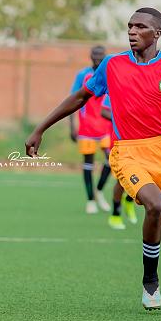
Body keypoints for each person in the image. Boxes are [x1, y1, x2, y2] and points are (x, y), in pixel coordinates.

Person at [25, 7, 161, 312]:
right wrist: (40, 129)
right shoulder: (112, 65)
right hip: (127, 151)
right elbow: (80, 97)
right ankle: (150, 283)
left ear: (157, 33)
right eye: (130, 26)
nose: (132, 31)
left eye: (140, 26)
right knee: (155, 205)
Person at [69, 46, 113, 213]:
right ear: (90, 56)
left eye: (100, 55)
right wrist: (72, 125)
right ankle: (90, 200)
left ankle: (99, 190)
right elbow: (73, 99)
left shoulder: (109, 75)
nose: (97, 57)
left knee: (112, 160)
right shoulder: (83, 75)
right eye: (95, 54)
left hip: (106, 126)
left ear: (105, 57)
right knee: (88, 163)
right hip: (87, 127)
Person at [100, 95, 137, 230]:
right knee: (121, 180)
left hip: (142, 141)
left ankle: (129, 200)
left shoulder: (145, 88)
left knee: (145, 176)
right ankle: (115, 214)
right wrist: (122, 119)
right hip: (120, 141)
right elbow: (103, 111)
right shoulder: (115, 89)